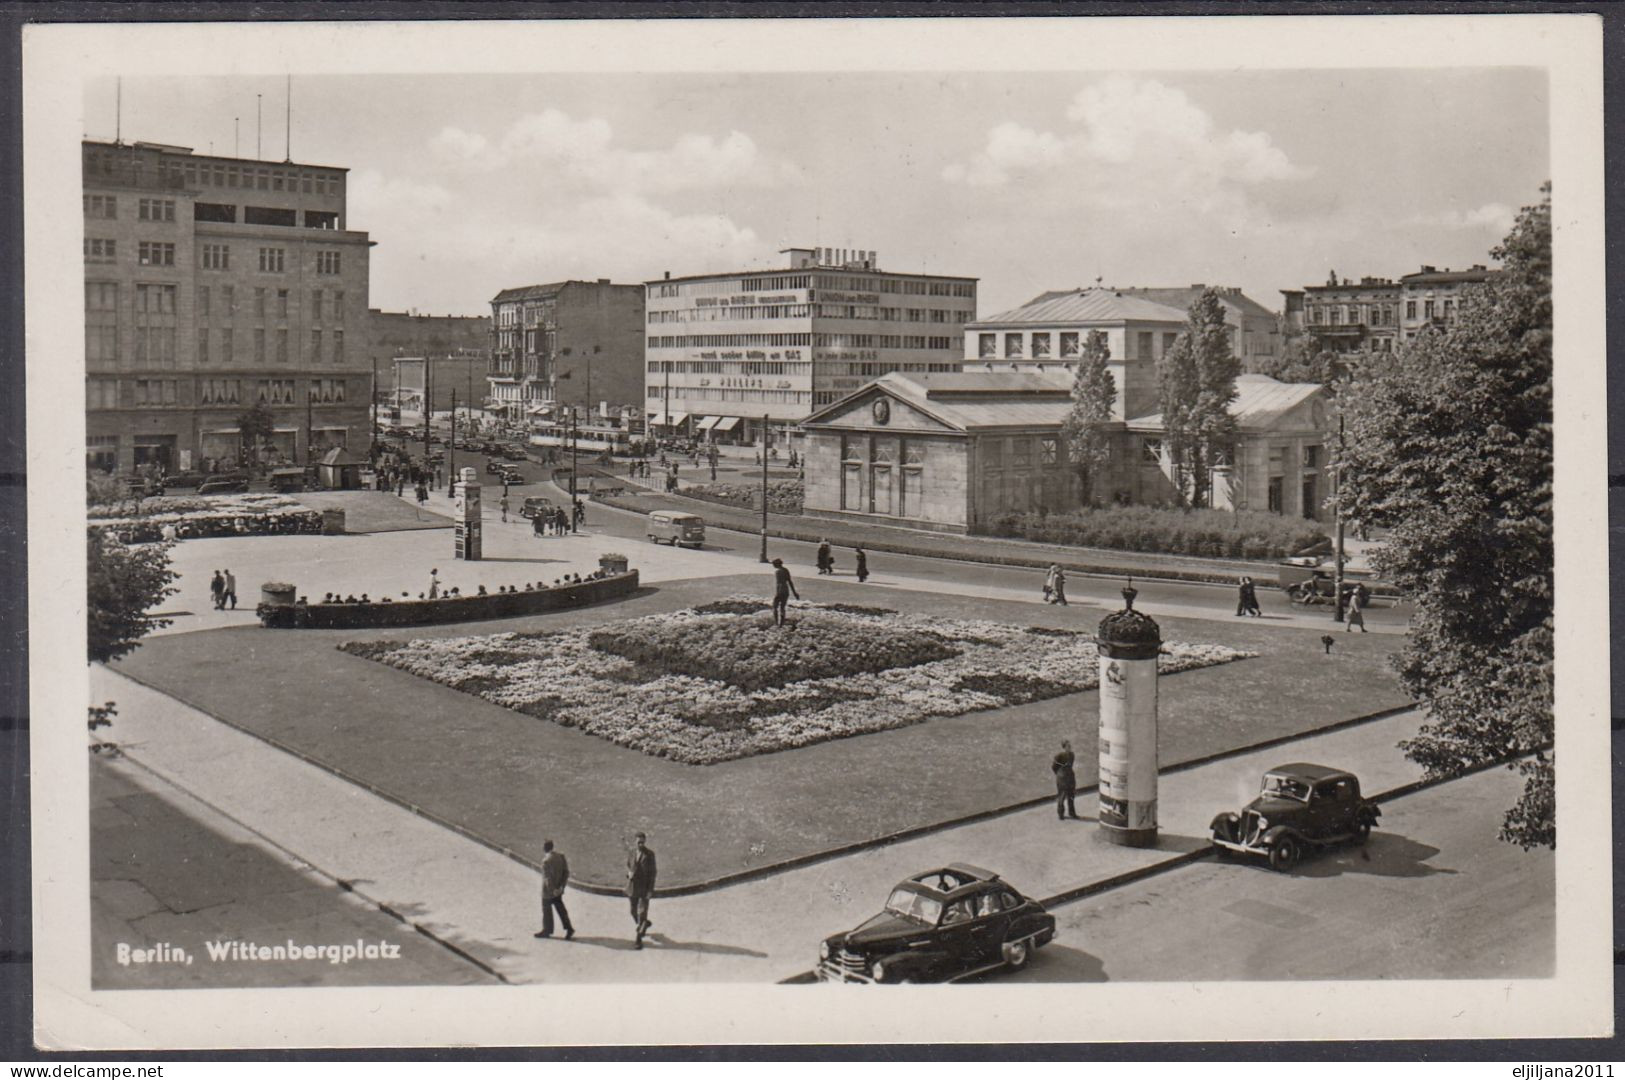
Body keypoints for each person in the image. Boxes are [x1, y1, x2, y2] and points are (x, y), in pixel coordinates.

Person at [534, 840, 575, 940]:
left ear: (544, 848)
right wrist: (561, 887)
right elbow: (566, 873)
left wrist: (552, 890)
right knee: (561, 910)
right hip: (559, 890)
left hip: (548, 892)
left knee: (546, 910)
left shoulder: (545, 861)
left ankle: (547, 930)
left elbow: (547, 878)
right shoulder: (561, 856)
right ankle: (569, 928)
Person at [626, 832, 657, 949]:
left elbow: (653, 873)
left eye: (642, 842)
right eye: (638, 842)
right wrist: (629, 874)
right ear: (635, 841)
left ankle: (638, 939)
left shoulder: (650, 855)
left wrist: (650, 890)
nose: (640, 845)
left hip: (644, 889)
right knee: (633, 912)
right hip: (632, 888)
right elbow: (629, 866)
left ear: (645, 842)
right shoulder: (631, 852)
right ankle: (644, 924)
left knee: (641, 913)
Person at [1053, 740, 1078, 820]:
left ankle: (1072, 813)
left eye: (1070, 746)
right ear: (1064, 747)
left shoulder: (1072, 754)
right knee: (1062, 795)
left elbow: (1071, 765)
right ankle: (1061, 814)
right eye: (1068, 746)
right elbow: (1054, 766)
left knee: (1071, 795)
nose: (1070, 747)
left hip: (1070, 776)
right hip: (1062, 778)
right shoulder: (1059, 755)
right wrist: (1060, 774)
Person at [771, 558, 799, 627]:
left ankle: (776, 623)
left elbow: (778, 583)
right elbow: (790, 582)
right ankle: (781, 624)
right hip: (786, 590)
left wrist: (777, 593)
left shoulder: (778, 572)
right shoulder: (786, 570)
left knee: (775, 606)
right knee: (782, 607)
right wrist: (795, 593)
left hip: (780, 590)